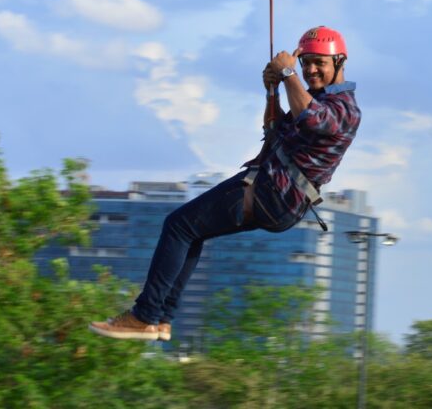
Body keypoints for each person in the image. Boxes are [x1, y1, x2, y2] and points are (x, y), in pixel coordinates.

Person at [89, 25, 361, 341]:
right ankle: (161, 318)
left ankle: (144, 315)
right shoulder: (312, 96)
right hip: (276, 194)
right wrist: (273, 90)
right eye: (306, 62)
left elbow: (310, 116)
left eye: (320, 63)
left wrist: (288, 72)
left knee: (178, 226)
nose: (311, 70)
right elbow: (275, 128)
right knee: (191, 231)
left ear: (339, 62)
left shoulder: (345, 109)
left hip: (274, 192)